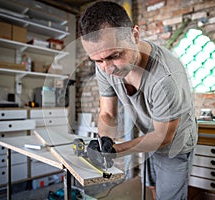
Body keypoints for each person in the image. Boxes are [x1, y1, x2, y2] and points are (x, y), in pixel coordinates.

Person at [78, 1, 198, 200]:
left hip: (174, 142)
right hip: (148, 134)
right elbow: (107, 113)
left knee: (169, 197)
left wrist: (115, 150)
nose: (107, 69)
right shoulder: (105, 66)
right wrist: (105, 142)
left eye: (114, 55)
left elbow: (163, 137)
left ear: (134, 35)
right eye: (98, 61)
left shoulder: (166, 77)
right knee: (152, 188)